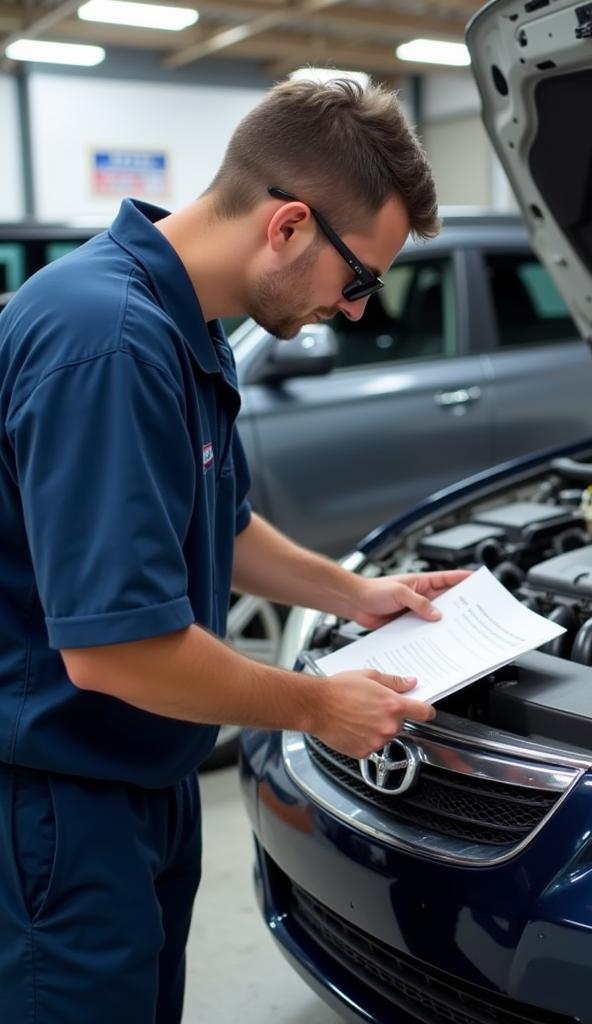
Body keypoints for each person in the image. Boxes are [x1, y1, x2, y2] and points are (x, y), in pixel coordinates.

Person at [0, 78, 467, 1023]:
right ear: (289, 225)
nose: (358, 310)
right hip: (60, 804)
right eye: (361, 278)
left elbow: (224, 519)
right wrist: (317, 706)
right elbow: (115, 650)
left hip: (137, 782)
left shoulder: (180, 324)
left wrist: (356, 594)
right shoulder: (111, 340)